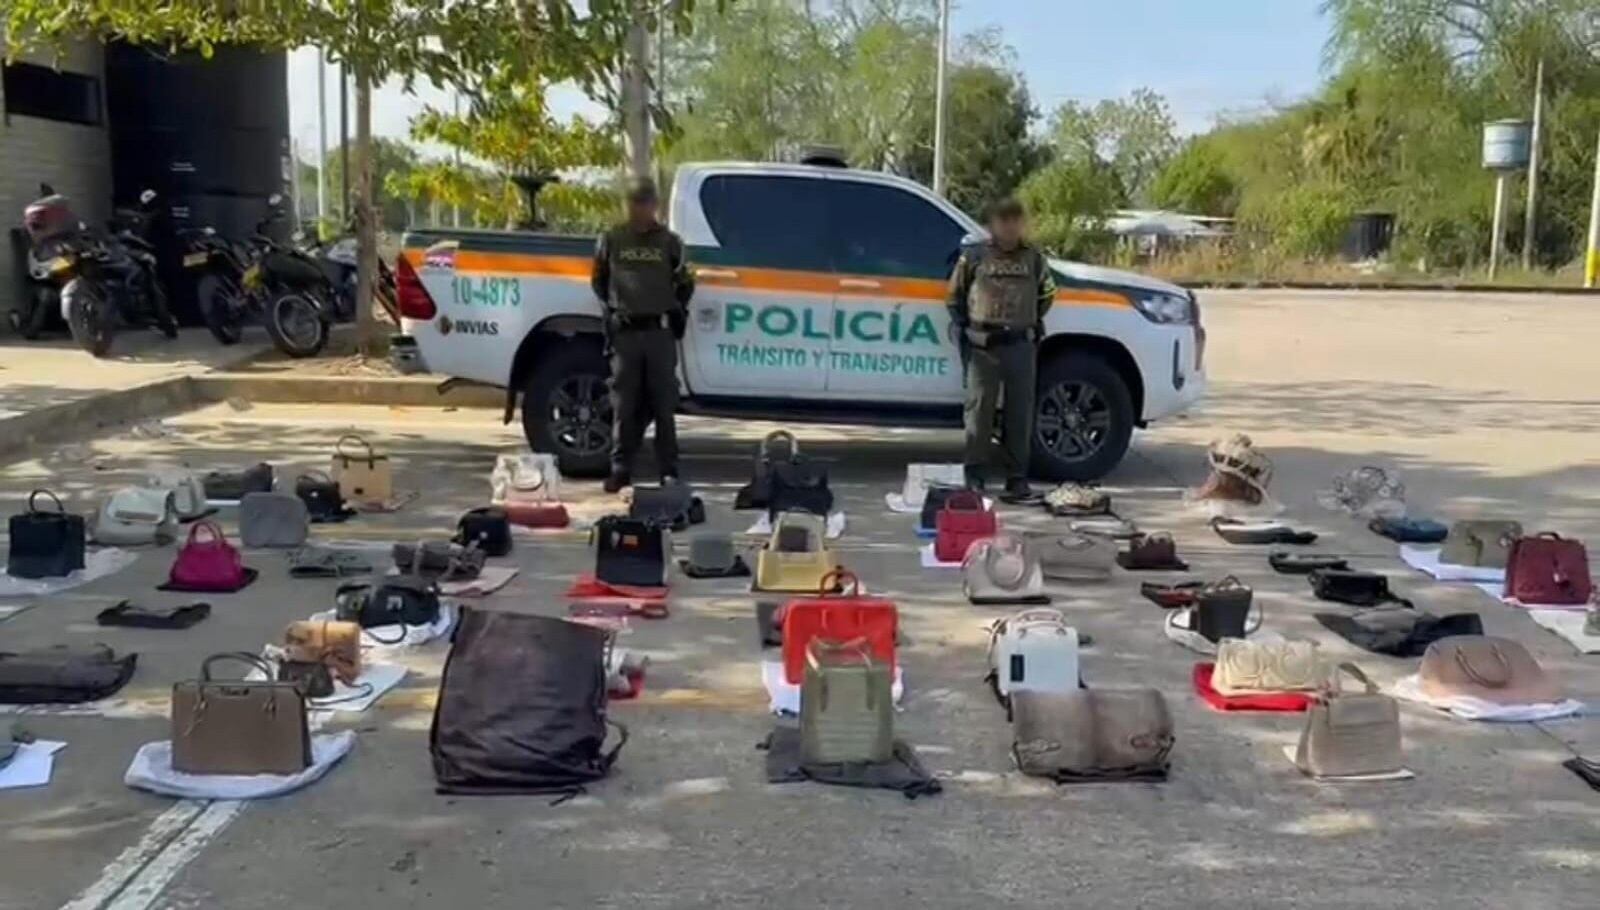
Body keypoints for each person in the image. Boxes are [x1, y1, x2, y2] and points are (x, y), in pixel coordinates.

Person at [946, 198, 1055, 501]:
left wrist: (1028, 320)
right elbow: (954, 295)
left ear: (1022, 224)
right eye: (1002, 221)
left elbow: (1048, 293)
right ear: (991, 225)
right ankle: (975, 476)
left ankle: (1017, 478)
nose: (1009, 227)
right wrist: (967, 328)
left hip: (1021, 345)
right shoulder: (974, 256)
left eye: (1014, 221)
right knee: (979, 413)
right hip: (984, 347)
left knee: (1019, 415)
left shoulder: (1034, 259)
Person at [591, 177, 696, 493]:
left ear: (655, 206)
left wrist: (676, 311)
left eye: (645, 202)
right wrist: (612, 311)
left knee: (664, 407)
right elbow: (599, 280)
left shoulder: (670, 242)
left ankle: (668, 471)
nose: (640, 208)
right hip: (626, 335)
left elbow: (686, 282)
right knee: (624, 406)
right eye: (635, 202)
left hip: (659, 334)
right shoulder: (612, 239)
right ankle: (621, 470)